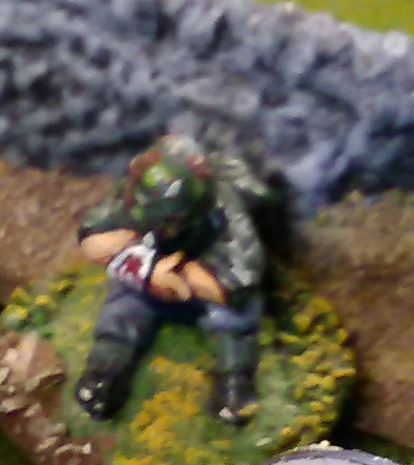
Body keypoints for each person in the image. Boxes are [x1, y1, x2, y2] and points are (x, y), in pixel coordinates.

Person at [72, 128, 269, 424]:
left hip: (208, 284)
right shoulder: (133, 194)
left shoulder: (227, 213)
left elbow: (242, 278)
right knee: (124, 305)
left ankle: (235, 381)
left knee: (235, 317)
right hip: (152, 276)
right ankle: (106, 371)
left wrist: (181, 277)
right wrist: (148, 272)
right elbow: (91, 236)